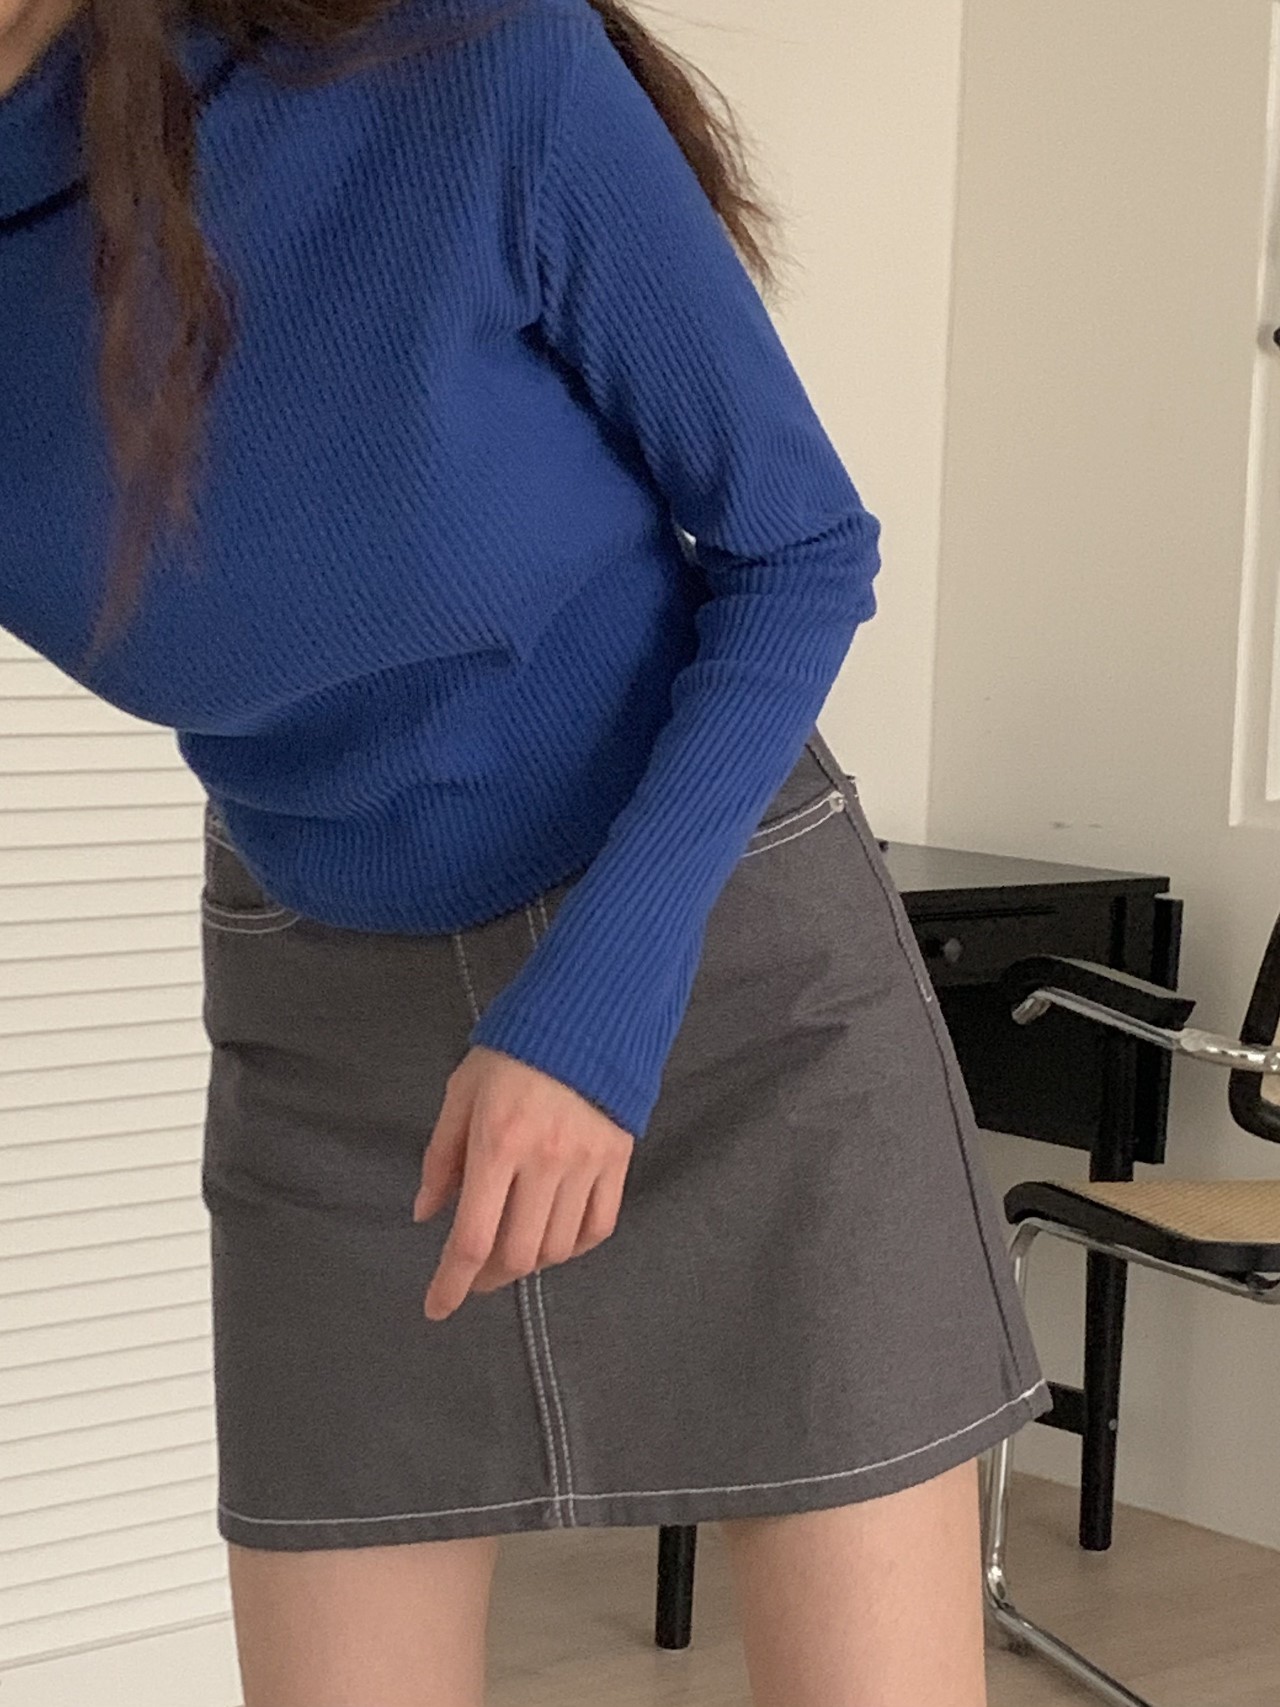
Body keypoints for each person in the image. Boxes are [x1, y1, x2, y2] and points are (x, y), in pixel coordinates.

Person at [0, 0, 1052, 1701]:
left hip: (710, 954)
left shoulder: (465, 56)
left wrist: (594, 1007)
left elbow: (798, 546)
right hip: (329, 1033)